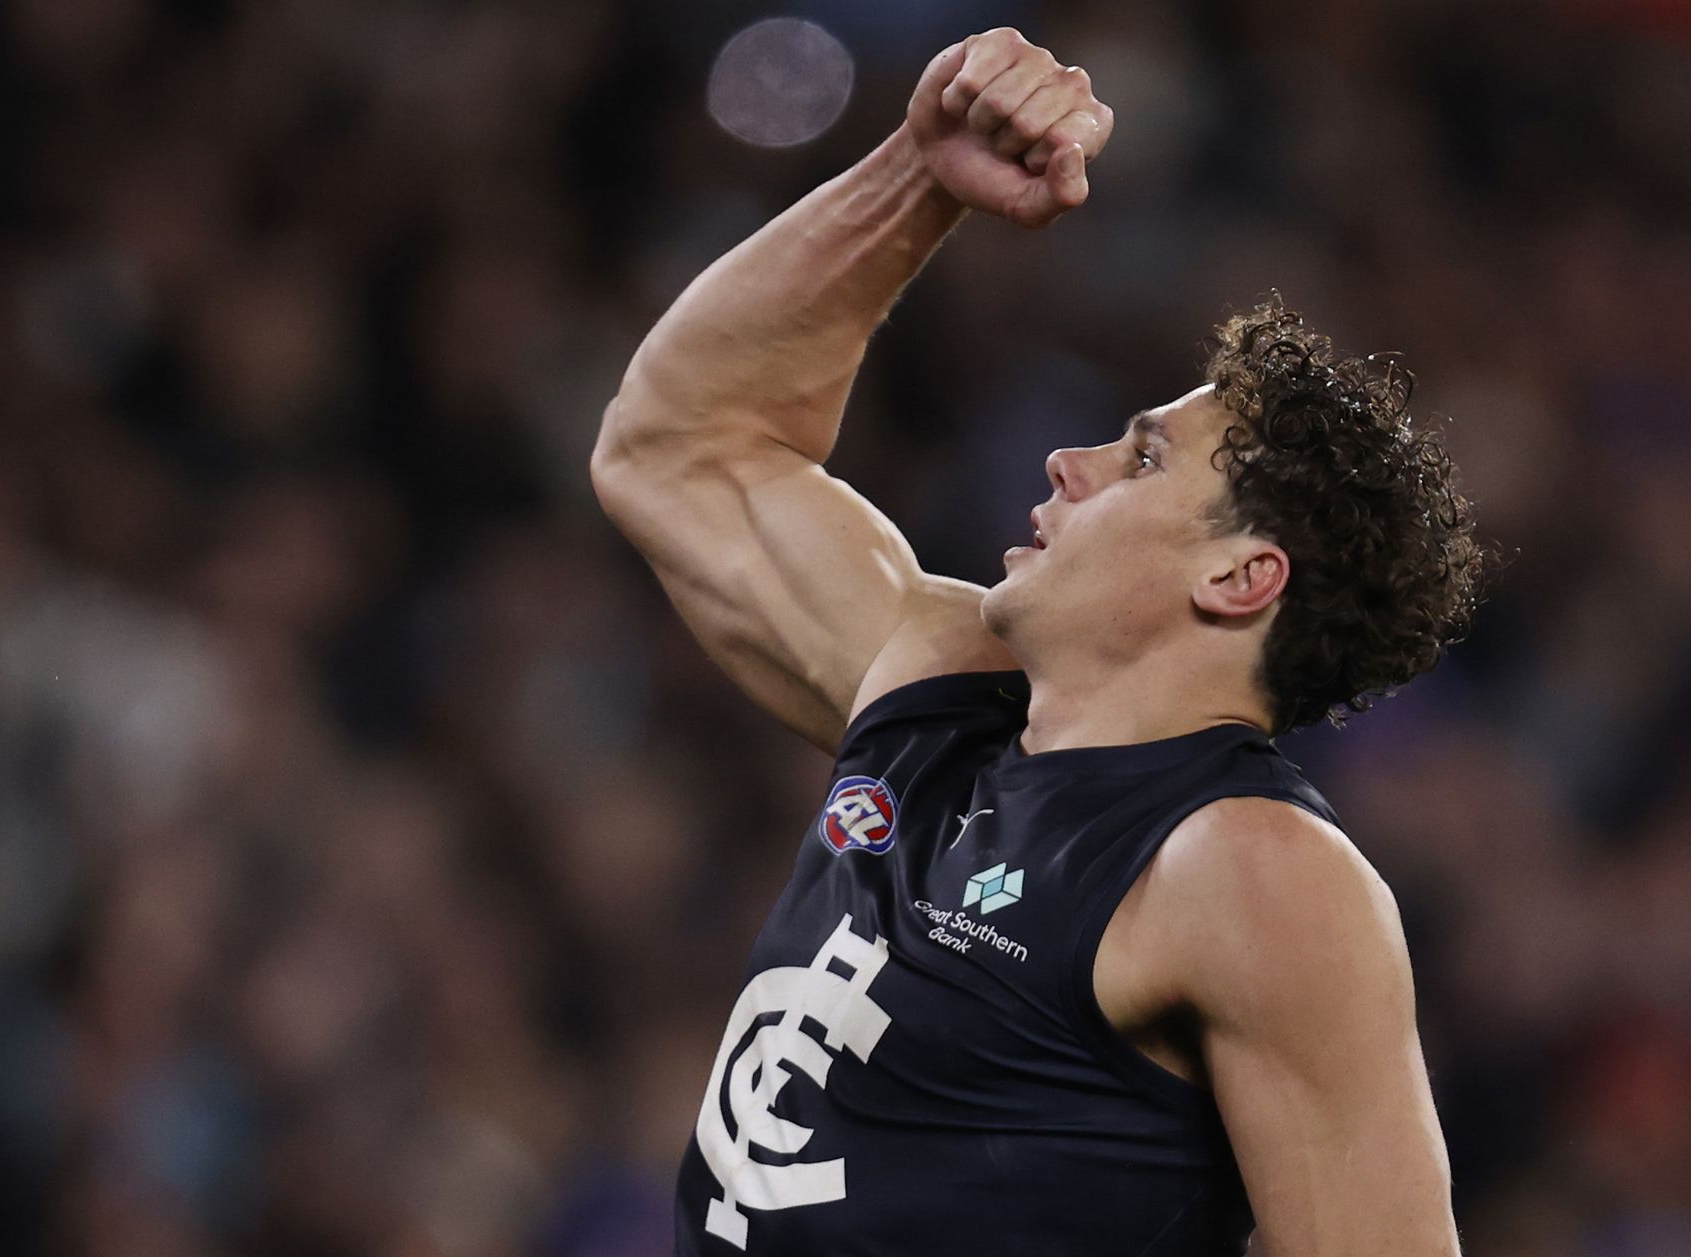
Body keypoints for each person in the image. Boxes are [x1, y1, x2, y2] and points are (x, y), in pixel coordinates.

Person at [593, 27, 1485, 1257]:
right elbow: (676, 447)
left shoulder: (1247, 872)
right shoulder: (938, 681)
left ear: (1239, 575)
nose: (1066, 463)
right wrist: (915, 178)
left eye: (1142, 458)